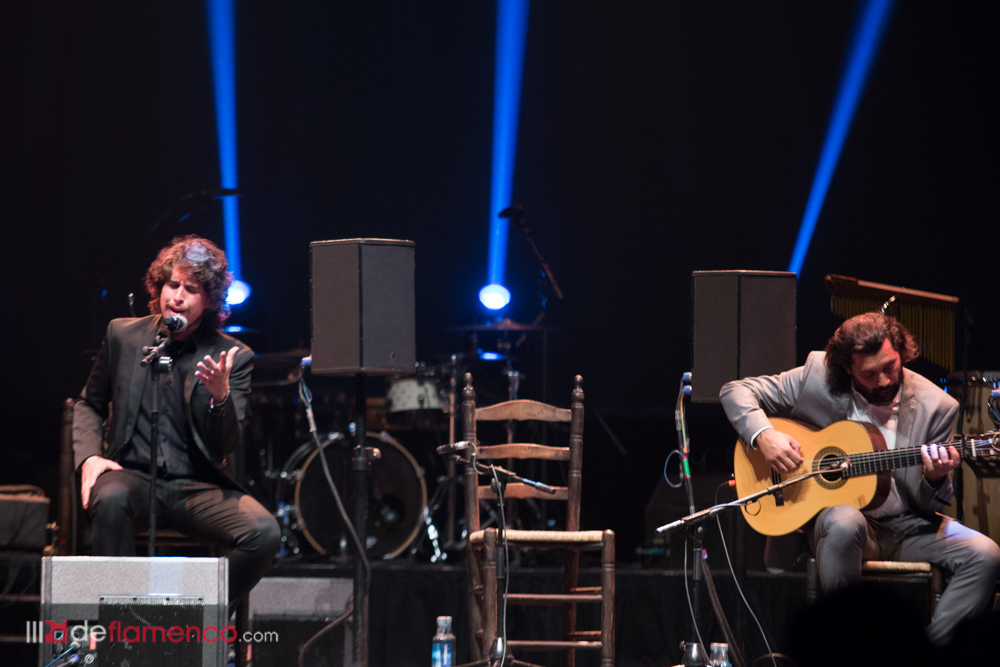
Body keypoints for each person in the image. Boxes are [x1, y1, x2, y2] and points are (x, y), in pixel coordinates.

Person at [720, 311, 1000, 645]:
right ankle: (849, 649)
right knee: (844, 521)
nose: (883, 380)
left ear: (901, 353)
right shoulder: (816, 377)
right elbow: (734, 391)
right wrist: (765, 436)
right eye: (870, 373)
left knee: (986, 554)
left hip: (909, 525)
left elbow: (928, 501)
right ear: (846, 368)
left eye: (890, 367)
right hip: (841, 524)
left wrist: (935, 478)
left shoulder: (937, 406)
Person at [73, 235, 280, 603]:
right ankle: (122, 629)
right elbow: (88, 404)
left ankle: (192, 616)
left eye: (191, 288)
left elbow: (225, 446)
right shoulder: (123, 335)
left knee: (263, 533)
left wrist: (221, 398)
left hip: (196, 488)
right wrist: (89, 458)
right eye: (172, 285)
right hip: (132, 477)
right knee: (109, 499)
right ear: (159, 286)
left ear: (209, 300)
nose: (178, 296)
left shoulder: (234, 355)